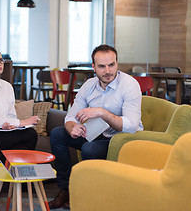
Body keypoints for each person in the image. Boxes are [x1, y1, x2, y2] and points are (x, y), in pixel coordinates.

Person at [49, 44, 143, 209]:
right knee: (58, 134)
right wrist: (71, 126)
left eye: (111, 65)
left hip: (121, 139)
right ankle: (65, 190)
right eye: (101, 66)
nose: (107, 71)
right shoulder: (89, 85)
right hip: (96, 133)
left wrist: (101, 112)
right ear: (93, 67)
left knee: (89, 149)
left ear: (117, 63)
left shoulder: (129, 85)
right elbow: (71, 114)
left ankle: (85, 193)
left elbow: (131, 126)